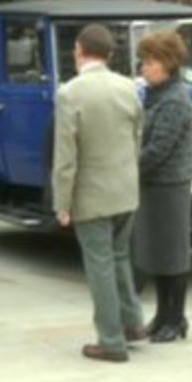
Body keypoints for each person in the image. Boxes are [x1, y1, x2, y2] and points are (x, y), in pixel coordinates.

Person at [52, 24, 146, 363]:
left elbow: (66, 155)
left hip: (91, 195)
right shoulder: (128, 88)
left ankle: (110, 340)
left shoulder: (70, 93)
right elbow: (137, 137)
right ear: (110, 54)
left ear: (78, 50)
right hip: (125, 189)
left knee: (100, 266)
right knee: (119, 257)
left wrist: (62, 202)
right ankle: (132, 323)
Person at [133, 31, 192, 342]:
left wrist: (129, 168)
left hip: (170, 185)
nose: (144, 68)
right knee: (159, 252)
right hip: (156, 185)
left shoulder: (174, 101)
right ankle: (162, 315)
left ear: (168, 64)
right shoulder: (157, 96)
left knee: (173, 254)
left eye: (151, 61)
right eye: (144, 61)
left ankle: (176, 317)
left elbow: (158, 149)